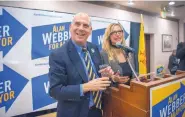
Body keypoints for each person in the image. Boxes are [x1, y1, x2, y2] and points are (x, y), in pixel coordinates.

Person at [48, 12, 113, 117]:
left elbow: (98, 76)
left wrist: (106, 75)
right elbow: (55, 91)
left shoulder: (94, 48)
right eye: (77, 24)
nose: (81, 28)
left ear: (90, 30)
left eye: (85, 26)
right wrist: (85, 87)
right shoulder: (58, 55)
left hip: (96, 111)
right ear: (70, 27)